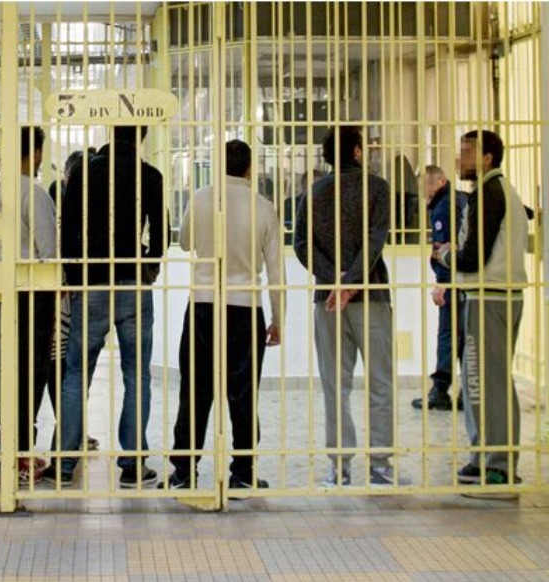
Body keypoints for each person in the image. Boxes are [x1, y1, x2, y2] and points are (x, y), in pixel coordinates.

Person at [44, 124, 169, 488]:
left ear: (111, 133)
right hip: (132, 282)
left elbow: (68, 231)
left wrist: (74, 276)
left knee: (75, 374)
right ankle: (132, 465)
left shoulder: (84, 172)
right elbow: (161, 233)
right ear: (142, 136)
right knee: (136, 375)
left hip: (93, 281)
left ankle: (65, 463)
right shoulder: (150, 176)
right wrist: (148, 268)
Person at [162, 139, 284, 491]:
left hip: (203, 304)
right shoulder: (264, 207)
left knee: (195, 390)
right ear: (249, 167)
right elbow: (276, 271)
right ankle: (243, 472)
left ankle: (184, 471)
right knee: (243, 394)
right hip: (246, 308)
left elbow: (185, 242)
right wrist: (277, 319)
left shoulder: (201, 198)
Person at [294, 125, 409, 487]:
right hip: (371, 296)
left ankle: (339, 468)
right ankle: (380, 467)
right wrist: (354, 281)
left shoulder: (313, 192)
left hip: (327, 300)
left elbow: (301, 245)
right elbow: (376, 240)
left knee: (335, 386)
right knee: (380, 383)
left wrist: (336, 281)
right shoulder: (378, 188)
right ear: (358, 151)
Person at [435, 130, 529, 491]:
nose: (460, 160)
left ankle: (499, 464)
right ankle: (483, 456)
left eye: (467, 152)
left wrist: (445, 254)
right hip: (500, 294)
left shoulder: (489, 193)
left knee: (486, 381)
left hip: (491, 295)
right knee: (484, 379)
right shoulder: (501, 191)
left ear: (487, 157)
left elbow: (473, 256)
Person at [0, 126, 57, 486]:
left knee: (6, 370)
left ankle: (8, 451)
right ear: (37, 153)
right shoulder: (35, 193)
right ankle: (22, 452)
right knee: (32, 370)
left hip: (0, 292)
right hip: (32, 293)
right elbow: (49, 251)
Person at [46, 147, 99, 453]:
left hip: (68, 290)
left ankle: (71, 432)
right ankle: (69, 434)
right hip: (62, 291)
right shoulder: (61, 197)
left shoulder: (69, 197)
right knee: (63, 364)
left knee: (66, 364)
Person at [412, 165, 467, 411]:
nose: (423, 190)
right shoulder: (459, 199)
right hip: (467, 280)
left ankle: (440, 390)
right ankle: (468, 392)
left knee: (448, 334)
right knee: (464, 336)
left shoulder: (444, 207)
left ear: (441, 182)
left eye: (427, 184)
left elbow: (445, 248)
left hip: (453, 281)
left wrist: (442, 283)